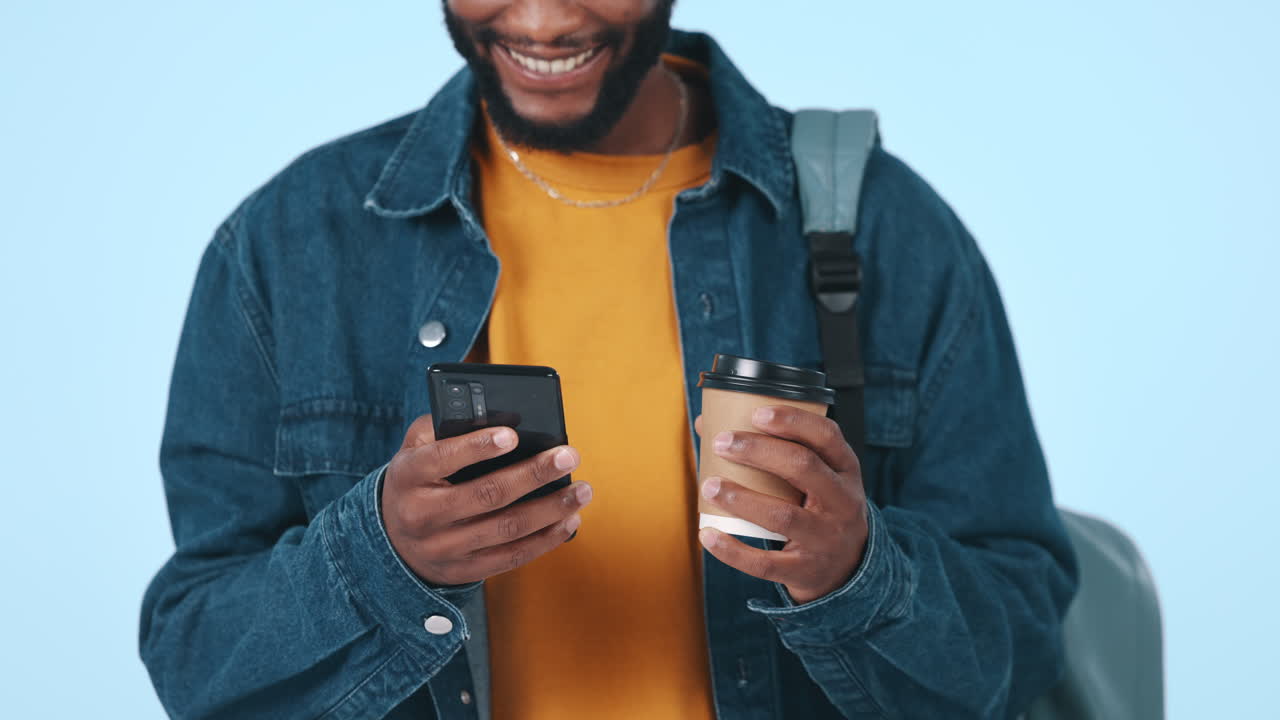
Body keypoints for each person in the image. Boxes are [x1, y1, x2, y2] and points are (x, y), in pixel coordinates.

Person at [139, 1, 1078, 718]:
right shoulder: (292, 240)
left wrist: (859, 572)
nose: (542, 20)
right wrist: (380, 558)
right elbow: (195, 656)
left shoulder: (881, 225)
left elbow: (1023, 631)